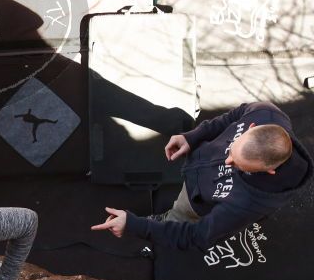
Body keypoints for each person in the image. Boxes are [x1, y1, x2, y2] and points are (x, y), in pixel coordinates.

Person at [92, 102, 313, 250]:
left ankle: (164, 220)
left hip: (195, 202)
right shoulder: (265, 112)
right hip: (195, 168)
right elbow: (234, 115)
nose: (227, 161)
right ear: (251, 127)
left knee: (178, 217)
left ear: (269, 170)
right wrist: (193, 137)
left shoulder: (248, 203)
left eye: (238, 165)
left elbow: (197, 236)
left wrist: (135, 226)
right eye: (232, 150)